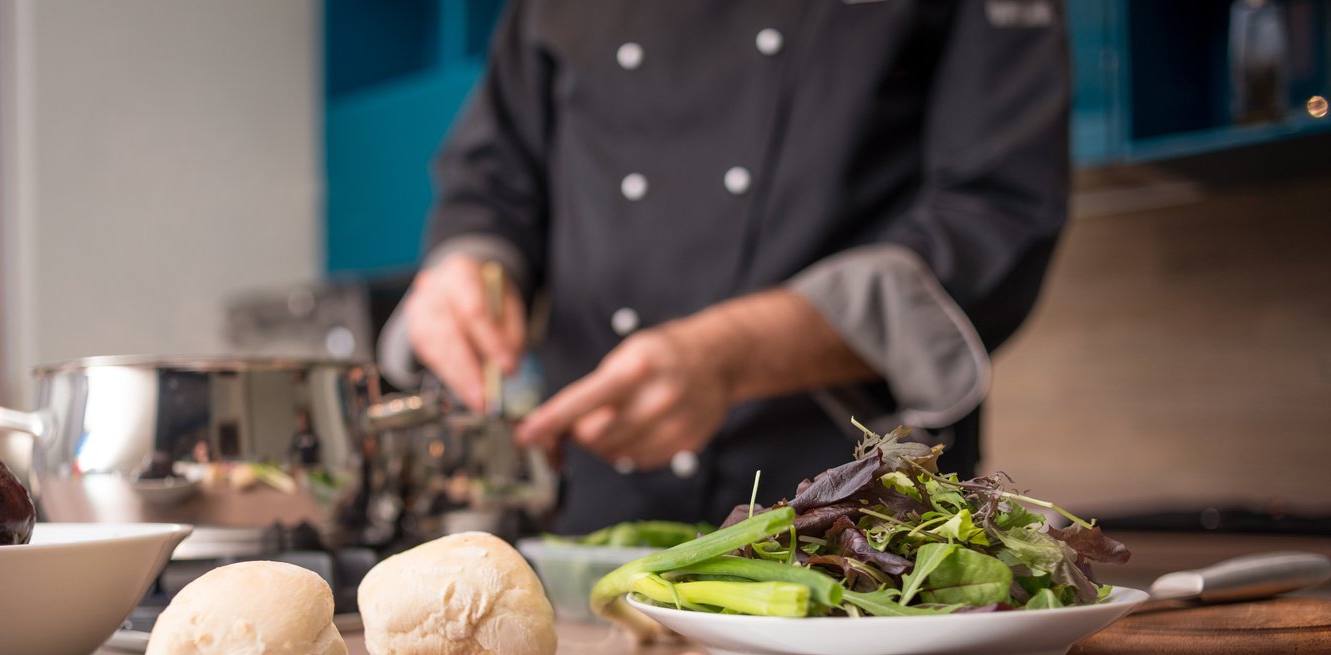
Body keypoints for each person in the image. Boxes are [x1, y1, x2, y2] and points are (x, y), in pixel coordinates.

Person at [380, 0, 1071, 534]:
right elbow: (491, 181)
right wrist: (469, 268)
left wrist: (732, 356)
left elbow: (996, 213)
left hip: (852, 517)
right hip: (598, 521)